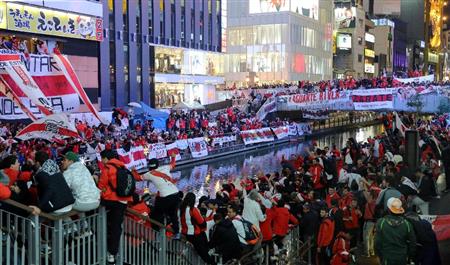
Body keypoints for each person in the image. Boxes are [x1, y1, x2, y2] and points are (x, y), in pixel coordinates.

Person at [98, 150, 141, 265]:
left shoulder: (107, 168)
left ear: (106, 158)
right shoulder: (123, 168)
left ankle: (99, 239)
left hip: (110, 200)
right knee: (116, 227)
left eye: (102, 158)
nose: (101, 161)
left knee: (105, 221)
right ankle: (112, 254)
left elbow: (101, 186)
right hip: (123, 201)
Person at [142, 157, 181, 237]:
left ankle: (157, 231)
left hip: (165, 196)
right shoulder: (165, 167)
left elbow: (137, 178)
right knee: (173, 213)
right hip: (176, 193)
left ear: (149, 166)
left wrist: (132, 170)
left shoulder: (149, 173)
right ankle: (177, 233)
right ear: (158, 164)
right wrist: (173, 157)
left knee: (156, 213)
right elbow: (173, 164)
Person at [29, 151, 75, 215]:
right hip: (68, 202)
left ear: (38, 162)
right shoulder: (56, 168)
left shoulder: (41, 174)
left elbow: (49, 189)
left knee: (36, 216)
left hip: (58, 207)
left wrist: (39, 207)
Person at [375, 198, 416, 265]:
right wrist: (409, 256)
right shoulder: (407, 224)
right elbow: (413, 243)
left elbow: (377, 243)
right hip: (402, 258)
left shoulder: (381, 222)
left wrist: (381, 256)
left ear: (388, 209)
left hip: (387, 258)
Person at [180, 192, 215, 264]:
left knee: (201, 250)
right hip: (195, 234)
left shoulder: (181, 209)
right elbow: (201, 222)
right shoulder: (193, 209)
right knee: (204, 253)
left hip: (185, 233)